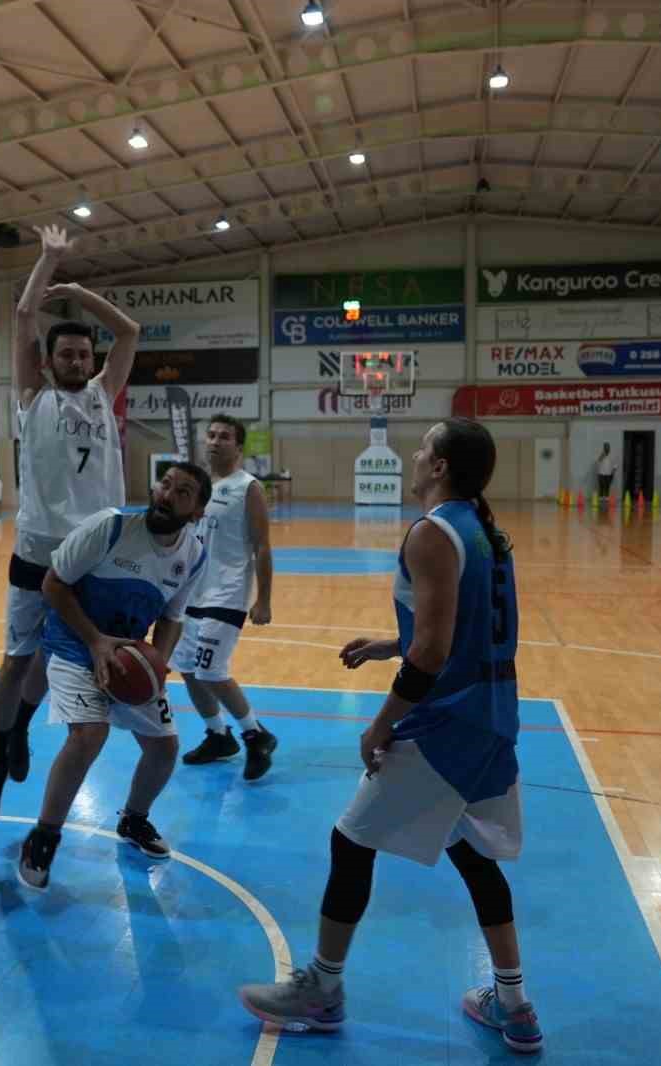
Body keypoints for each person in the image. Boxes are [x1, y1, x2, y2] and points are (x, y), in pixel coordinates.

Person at [237, 418, 541, 1054]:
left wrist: (381, 724)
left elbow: (432, 653)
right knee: (473, 855)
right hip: (494, 717)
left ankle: (321, 989)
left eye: (424, 448)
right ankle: (514, 1004)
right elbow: (463, 629)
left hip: (446, 722)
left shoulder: (433, 533)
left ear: (439, 467)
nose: (414, 455)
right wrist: (390, 643)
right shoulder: (487, 531)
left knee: (350, 843)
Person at [0, 224, 139, 819]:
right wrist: (47, 263)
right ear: (48, 362)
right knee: (16, 660)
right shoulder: (32, 399)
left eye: (82, 353)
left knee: (49, 660)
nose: (74, 359)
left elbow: (130, 331)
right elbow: (22, 318)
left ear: (91, 361)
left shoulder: (102, 394)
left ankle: (19, 725)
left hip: (91, 555)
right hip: (39, 551)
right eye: (64, 353)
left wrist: (78, 289)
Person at [16, 463, 211, 890]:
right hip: (73, 643)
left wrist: (157, 661)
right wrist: (94, 640)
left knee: (164, 748)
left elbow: (172, 617)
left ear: (197, 511)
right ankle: (42, 838)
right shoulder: (110, 527)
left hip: (127, 654)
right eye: (165, 483)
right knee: (88, 735)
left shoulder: (193, 555)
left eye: (183, 492)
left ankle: (134, 819)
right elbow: (53, 585)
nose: (167, 494)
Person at [173, 415, 278, 779]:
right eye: (211, 435)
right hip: (191, 593)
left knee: (210, 669)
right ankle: (218, 735)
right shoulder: (198, 487)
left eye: (225, 437)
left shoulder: (248, 487)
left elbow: (263, 546)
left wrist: (263, 599)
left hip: (228, 590)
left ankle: (256, 734)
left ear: (239, 446)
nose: (215, 441)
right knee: (187, 669)